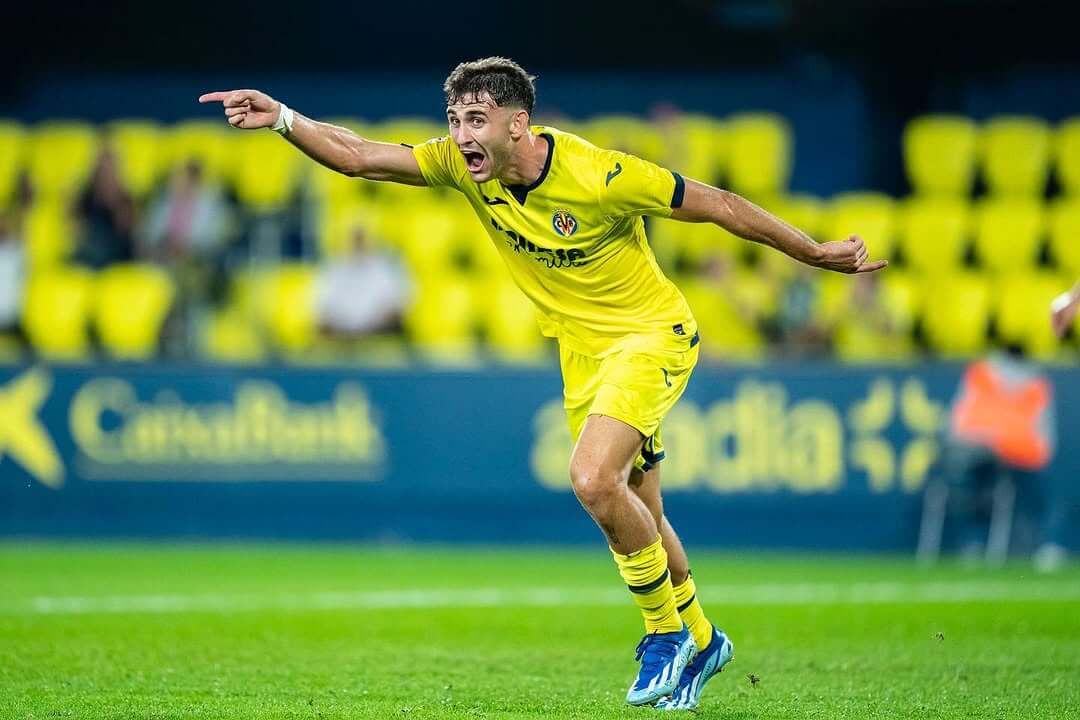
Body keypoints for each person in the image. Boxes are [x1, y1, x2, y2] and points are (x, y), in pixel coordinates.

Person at [200, 57, 885, 711]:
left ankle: (664, 634)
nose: (461, 135)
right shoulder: (463, 167)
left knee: (591, 479)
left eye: (476, 119)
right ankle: (703, 640)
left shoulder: (601, 175)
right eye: (454, 119)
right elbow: (358, 155)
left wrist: (813, 251)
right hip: (584, 355)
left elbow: (719, 205)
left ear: (518, 123)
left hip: (652, 336)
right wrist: (283, 118)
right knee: (640, 509)